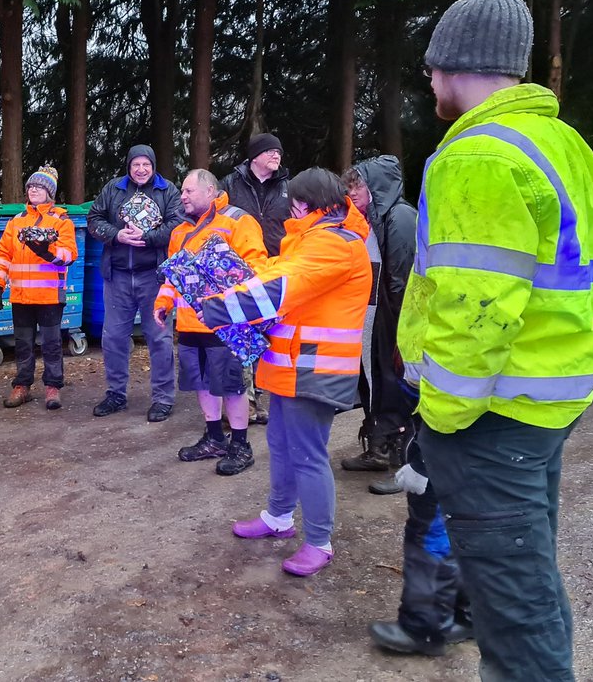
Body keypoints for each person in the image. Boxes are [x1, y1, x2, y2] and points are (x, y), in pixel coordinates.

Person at [398, 0, 593, 681]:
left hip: (487, 419)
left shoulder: (477, 156)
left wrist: (439, 420)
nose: (429, 81)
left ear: (451, 65)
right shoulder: (568, 149)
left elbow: (475, 307)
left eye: (431, 68)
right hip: (545, 405)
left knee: (513, 609)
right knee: (528, 578)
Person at [203, 168, 372, 577]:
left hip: (314, 368)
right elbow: (272, 272)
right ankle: (279, 517)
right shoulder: (312, 240)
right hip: (292, 365)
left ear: (304, 203)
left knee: (308, 455)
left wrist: (219, 307)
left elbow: (282, 286)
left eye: (292, 201)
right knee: (280, 444)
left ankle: (319, 541)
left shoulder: (335, 244)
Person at [154, 170, 268, 475]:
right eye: (182, 191)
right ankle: (215, 437)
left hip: (225, 324)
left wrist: (232, 304)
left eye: (189, 191)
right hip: (190, 324)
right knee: (201, 384)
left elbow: (255, 268)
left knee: (231, 385)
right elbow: (172, 276)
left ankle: (241, 445)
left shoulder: (238, 221)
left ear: (210, 191)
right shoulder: (179, 231)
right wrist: (163, 303)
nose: (183, 196)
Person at [87, 145, 185, 421]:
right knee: (114, 338)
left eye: (146, 164)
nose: (141, 169)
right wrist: (117, 236)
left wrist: (148, 236)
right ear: (128, 167)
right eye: (135, 165)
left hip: (153, 276)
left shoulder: (168, 191)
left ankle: (163, 398)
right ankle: (116, 393)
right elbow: (93, 220)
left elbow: (177, 226)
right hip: (117, 275)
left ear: (153, 166)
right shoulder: (113, 189)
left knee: (160, 339)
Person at [339, 155, 417, 494]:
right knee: (376, 381)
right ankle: (378, 447)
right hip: (376, 314)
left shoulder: (400, 217)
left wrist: (403, 331)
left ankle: (405, 454)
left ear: (378, 186)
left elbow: (401, 277)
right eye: (351, 186)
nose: (352, 192)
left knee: (396, 382)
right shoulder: (371, 218)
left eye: (358, 185)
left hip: (395, 315)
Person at [368, 434, 474, 656]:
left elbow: (449, 408)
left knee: (431, 538)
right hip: (484, 450)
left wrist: (422, 464)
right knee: (468, 530)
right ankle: (468, 614)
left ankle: (424, 628)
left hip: (446, 455)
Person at [0, 167, 78, 410]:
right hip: (20, 296)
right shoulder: (16, 221)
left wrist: (46, 252)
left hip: (50, 295)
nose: (34, 190)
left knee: (51, 344)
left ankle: (52, 388)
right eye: (31, 186)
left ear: (50, 192)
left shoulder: (61, 221)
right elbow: (3, 254)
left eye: (40, 187)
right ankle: (22, 386)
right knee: (23, 344)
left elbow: (69, 254)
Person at [221, 132, 292, 426]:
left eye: (279, 152)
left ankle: (258, 396)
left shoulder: (289, 186)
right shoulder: (230, 184)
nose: (276, 156)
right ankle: (241, 401)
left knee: (268, 337)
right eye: (270, 151)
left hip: (275, 268)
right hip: (237, 271)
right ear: (255, 156)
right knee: (240, 337)